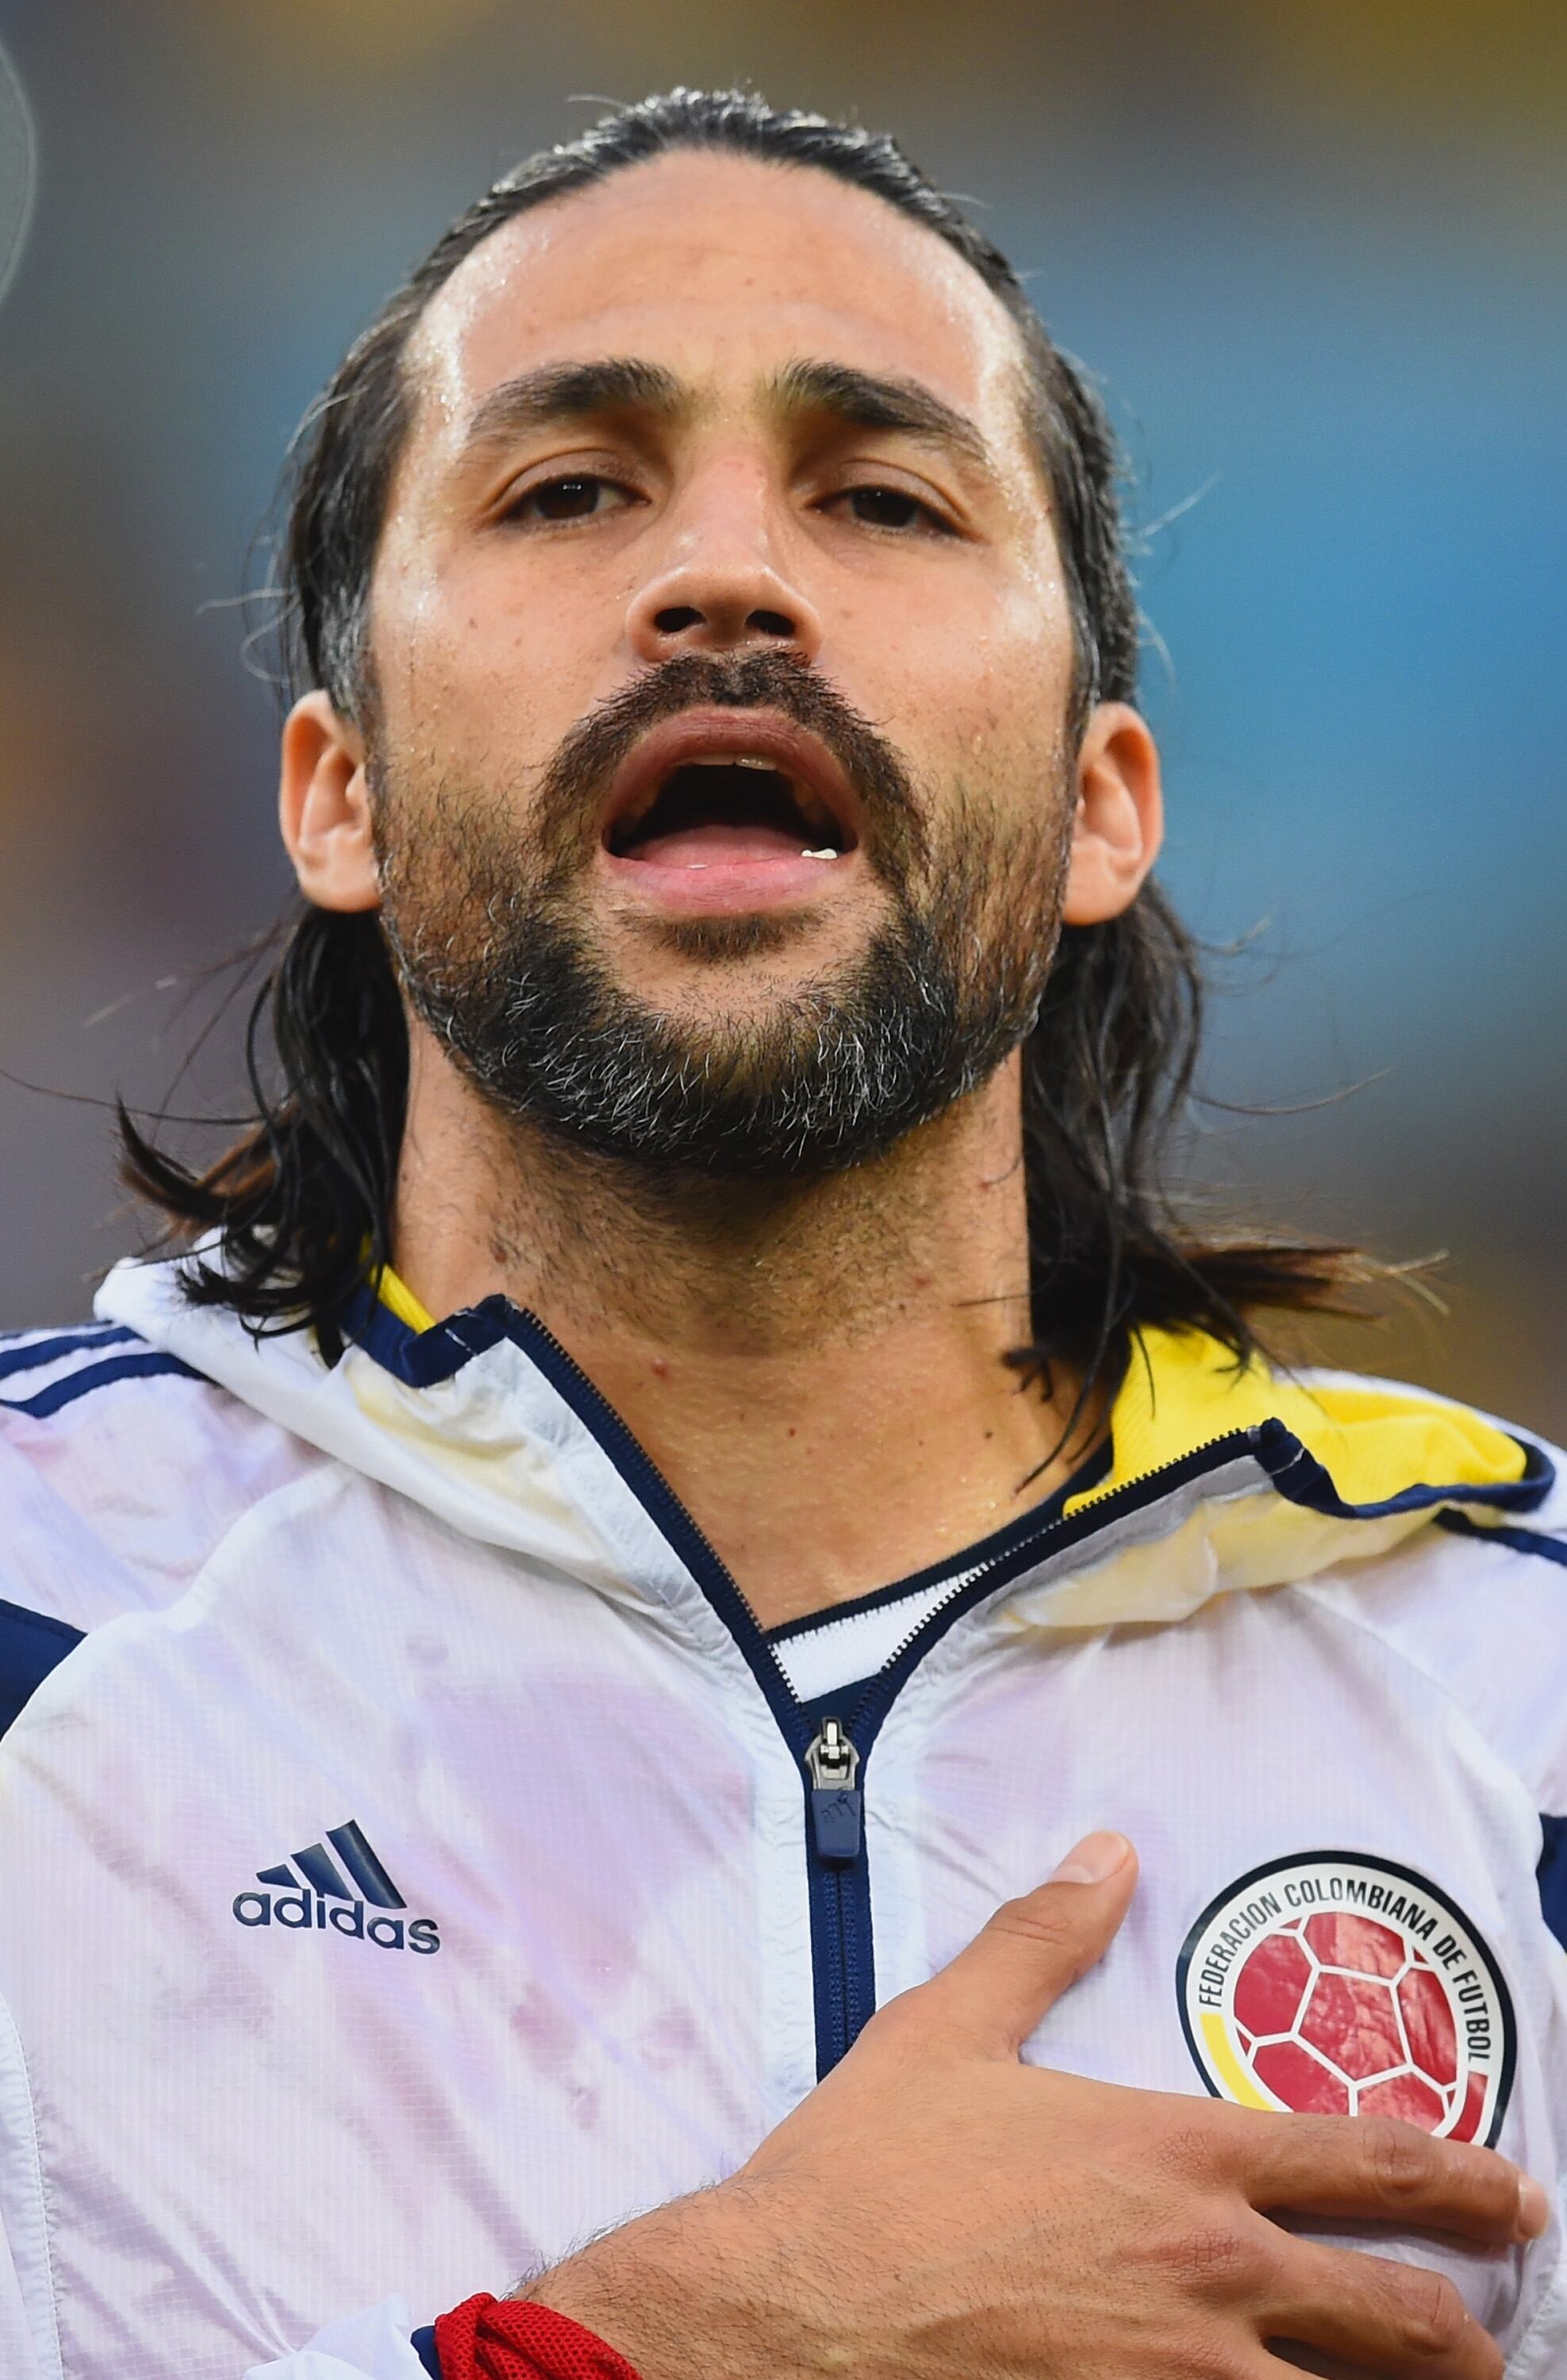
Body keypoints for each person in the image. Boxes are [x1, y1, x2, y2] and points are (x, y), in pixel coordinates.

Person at [0, 89, 1561, 2380]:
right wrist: (688, 2343)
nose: (726, 576)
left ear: (1095, 811)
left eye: (885, 498)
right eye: (567, 489)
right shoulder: (44, 1618)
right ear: (337, 793)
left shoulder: (1524, 1715)